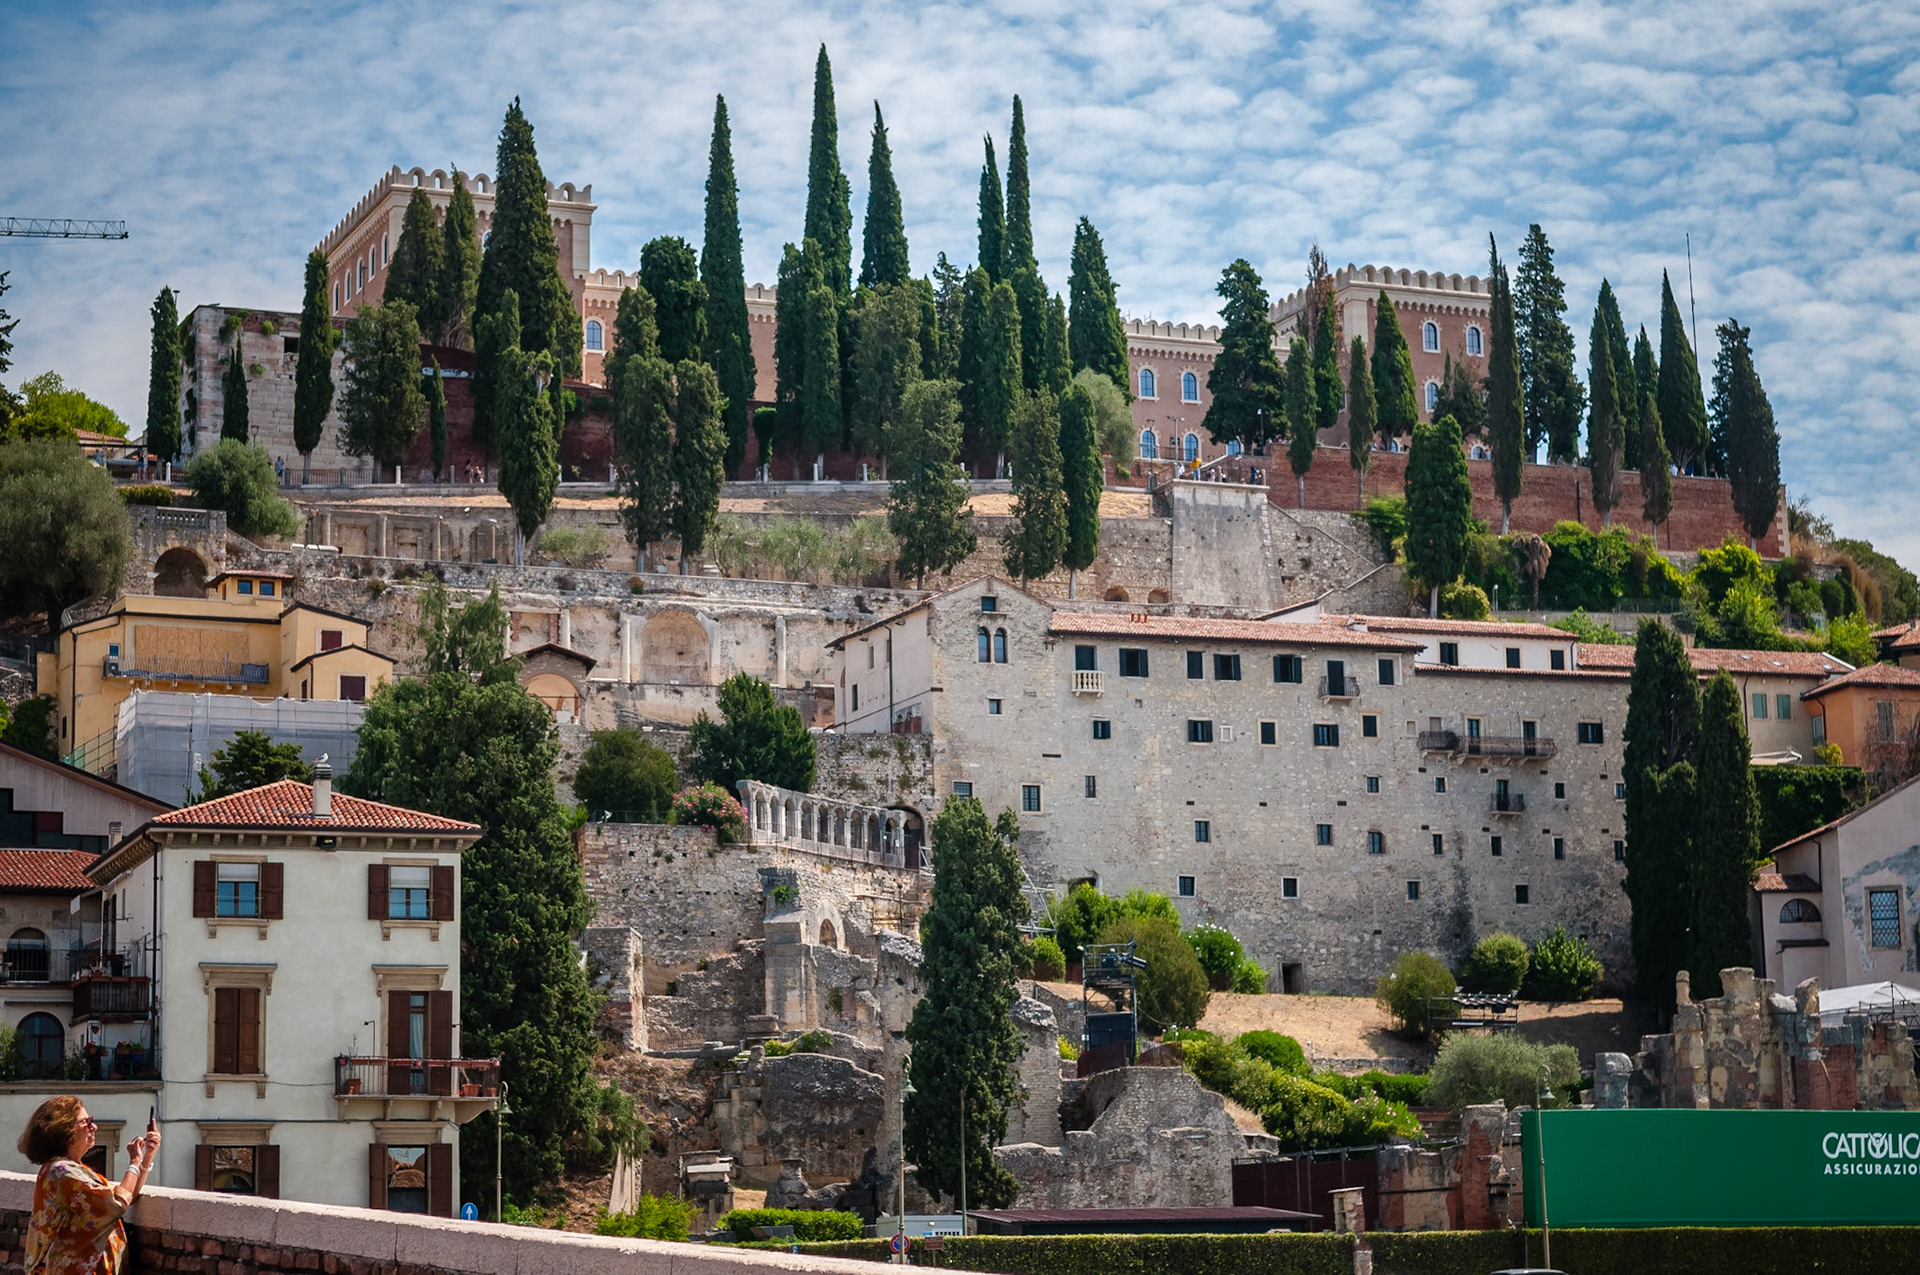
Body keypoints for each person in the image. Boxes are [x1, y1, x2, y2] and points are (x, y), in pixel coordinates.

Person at [20, 1096, 159, 1275]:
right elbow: (117, 1203)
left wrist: (147, 1158)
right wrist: (134, 1161)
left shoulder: (72, 1170)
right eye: (87, 1122)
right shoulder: (61, 1172)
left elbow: (127, 1196)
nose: (94, 1127)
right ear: (64, 1130)